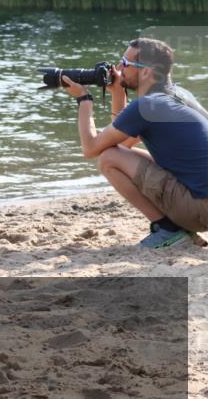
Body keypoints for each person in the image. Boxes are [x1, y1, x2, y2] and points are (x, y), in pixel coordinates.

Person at [60, 37, 208, 248]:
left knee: (107, 159)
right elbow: (123, 144)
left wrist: (83, 100)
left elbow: (91, 148)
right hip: (202, 201)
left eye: (126, 64)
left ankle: (167, 230)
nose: (119, 69)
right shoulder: (180, 95)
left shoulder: (146, 106)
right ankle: (177, 231)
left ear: (146, 71)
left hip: (200, 210)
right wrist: (118, 93)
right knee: (114, 154)